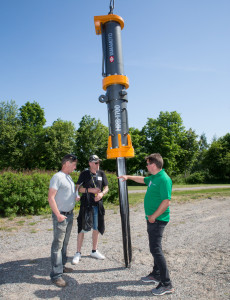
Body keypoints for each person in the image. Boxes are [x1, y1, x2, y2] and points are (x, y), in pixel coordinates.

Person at [118, 153, 174, 296]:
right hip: (152, 219)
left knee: (155, 249)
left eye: (148, 164)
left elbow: (166, 201)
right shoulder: (154, 177)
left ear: (154, 165)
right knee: (154, 248)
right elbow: (142, 179)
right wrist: (128, 177)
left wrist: (154, 217)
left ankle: (167, 284)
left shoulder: (164, 179)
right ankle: (156, 274)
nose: (146, 166)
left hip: (158, 219)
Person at [48, 154, 79, 287]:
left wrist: (75, 196)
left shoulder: (69, 177)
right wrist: (58, 215)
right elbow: (51, 197)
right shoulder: (57, 177)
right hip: (61, 216)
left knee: (65, 243)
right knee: (58, 245)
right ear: (66, 163)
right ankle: (56, 275)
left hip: (69, 215)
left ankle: (61, 267)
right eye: (74, 164)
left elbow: (70, 192)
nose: (75, 167)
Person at [72, 154, 109, 264]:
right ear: (90, 163)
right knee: (82, 228)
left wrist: (102, 194)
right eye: (96, 162)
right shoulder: (84, 174)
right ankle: (78, 252)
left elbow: (106, 187)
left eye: (99, 162)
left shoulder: (101, 173)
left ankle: (94, 250)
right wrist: (90, 190)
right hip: (86, 205)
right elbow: (78, 188)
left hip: (97, 205)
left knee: (96, 228)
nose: (98, 165)